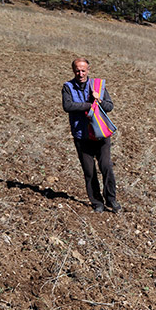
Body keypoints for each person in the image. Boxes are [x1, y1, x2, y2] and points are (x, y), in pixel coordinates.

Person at [62, 58, 121, 213]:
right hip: (82, 136)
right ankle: (97, 202)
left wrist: (98, 100)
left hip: (101, 135)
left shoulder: (98, 86)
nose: (80, 73)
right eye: (77, 70)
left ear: (88, 70)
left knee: (106, 167)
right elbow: (67, 106)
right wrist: (89, 105)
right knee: (89, 171)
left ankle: (111, 199)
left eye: (83, 70)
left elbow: (109, 106)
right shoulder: (68, 87)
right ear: (73, 70)